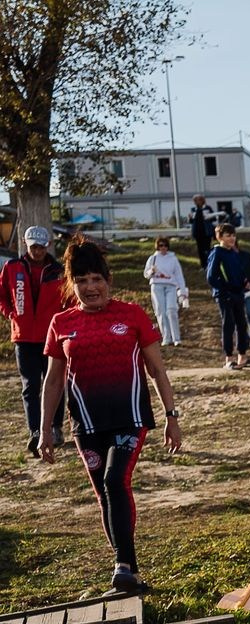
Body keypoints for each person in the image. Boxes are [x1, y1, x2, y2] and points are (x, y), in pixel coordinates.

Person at [38, 238, 184, 596]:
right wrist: (44, 430)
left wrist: (171, 415)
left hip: (130, 417)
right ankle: (128, 572)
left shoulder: (132, 314)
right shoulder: (61, 323)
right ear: (72, 286)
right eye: (82, 281)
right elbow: (53, 380)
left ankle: (121, 565)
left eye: (96, 279)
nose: (90, 287)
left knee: (116, 480)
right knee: (104, 494)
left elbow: (157, 370)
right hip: (85, 423)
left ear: (109, 279)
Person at [5, 226, 67, 455]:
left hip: (52, 337)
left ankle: (56, 427)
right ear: (25, 244)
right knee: (30, 386)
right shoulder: (12, 268)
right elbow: (2, 295)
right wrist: (10, 313)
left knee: (55, 383)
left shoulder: (59, 271)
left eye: (41, 247)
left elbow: (69, 300)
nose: (37, 251)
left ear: (48, 245)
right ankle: (35, 431)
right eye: (33, 247)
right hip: (23, 337)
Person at [205, 224, 250, 369]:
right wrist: (226, 289)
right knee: (228, 324)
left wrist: (244, 282)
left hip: (238, 294)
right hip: (225, 295)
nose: (232, 238)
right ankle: (229, 359)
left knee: (242, 324)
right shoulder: (217, 253)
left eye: (233, 235)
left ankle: (242, 357)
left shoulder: (233, 253)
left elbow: (239, 272)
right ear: (219, 237)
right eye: (228, 235)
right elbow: (211, 277)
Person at [142, 237, 188, 348]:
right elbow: (146, 274)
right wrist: (151, 271)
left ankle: (176, 338)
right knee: (161, 311)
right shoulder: (153, 258)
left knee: (171, 310)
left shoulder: (173, 258)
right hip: (156, 285)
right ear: (157, 247)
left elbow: (178, 275)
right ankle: (166, 337)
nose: (163, 248)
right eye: (161, 245)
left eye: (165, 245)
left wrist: (182, 290)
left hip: (171, 286)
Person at [189, 195, 215, 265]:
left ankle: (209, 263)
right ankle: (203, 264)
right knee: (200, 249)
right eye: (196, 201)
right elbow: (191, 222)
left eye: (199, 200)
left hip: (206, 232)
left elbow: (214, 218)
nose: (197, 202)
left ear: (202, 200)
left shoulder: (208, 208)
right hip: (198, 232)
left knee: (207, 248)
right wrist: (190, 218)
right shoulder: (193, 209)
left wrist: (208, 216)